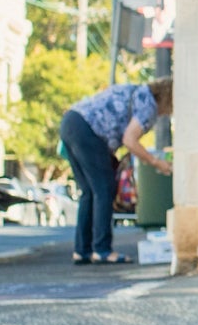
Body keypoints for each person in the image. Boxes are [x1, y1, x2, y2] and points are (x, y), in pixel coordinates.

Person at [60, 76, 171, 265]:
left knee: (89, 191)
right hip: (88, 129)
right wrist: (155, 162)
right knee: (104, 189)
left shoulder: (136, 91)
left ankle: (82, 250)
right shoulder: (148, 104)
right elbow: (130, 139)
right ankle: (102, 250)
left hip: (71, 121)